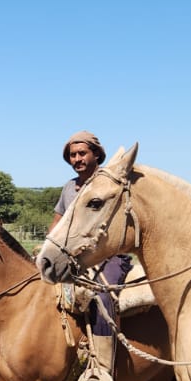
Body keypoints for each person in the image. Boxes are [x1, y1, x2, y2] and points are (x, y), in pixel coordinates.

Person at [51, 130, 128, 344]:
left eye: (82, 153)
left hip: (108, 256)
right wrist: (45, 249)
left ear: (96, 154)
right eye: (73, 155)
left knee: (102, 297)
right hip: (72, 258)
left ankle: (102, 366)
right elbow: (57, 222)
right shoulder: (69, 187)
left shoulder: (108, 183)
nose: (77, 159)